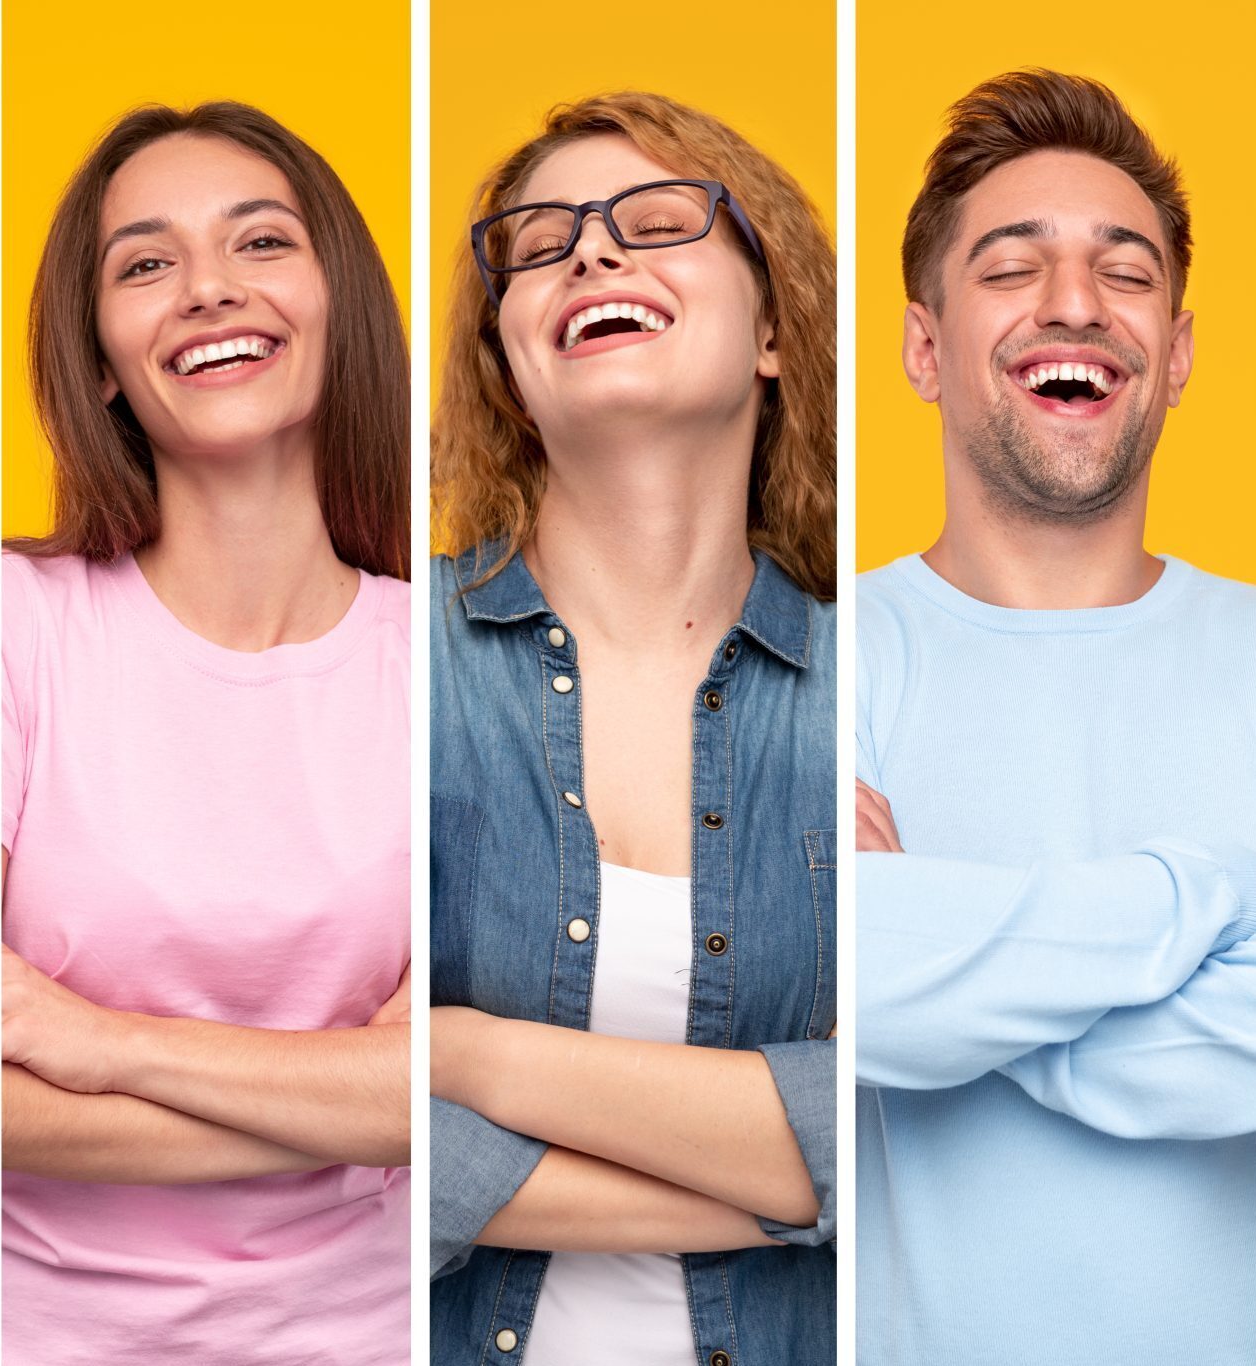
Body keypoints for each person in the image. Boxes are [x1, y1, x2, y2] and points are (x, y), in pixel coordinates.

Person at [0, 102, 410, 1365]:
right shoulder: (15, 626)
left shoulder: (450, 655)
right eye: (145, 263)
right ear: (104, 360)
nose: (207, 289)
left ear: (338, 306)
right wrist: (346, 1099)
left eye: (261, 243)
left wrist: (93, 1042)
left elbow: (454, 1082)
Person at [429, 91, 836, 1366]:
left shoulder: (886, 684)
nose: (590, 254)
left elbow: (906, 1123)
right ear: (506, 360)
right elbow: (354, 1147)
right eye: (538, 243)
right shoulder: (377, 662)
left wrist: (464, 1054)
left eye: (658, 222)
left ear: (773, 329)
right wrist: (792, 1188)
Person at [856, 69, 1256, 1364]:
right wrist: (1196, 906)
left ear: (1178, 353)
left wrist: (938, 953)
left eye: (1122, 271)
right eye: (1011, 266)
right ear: (923, 346)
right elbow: (821, 985)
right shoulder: (810, 656)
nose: (1071, 303)